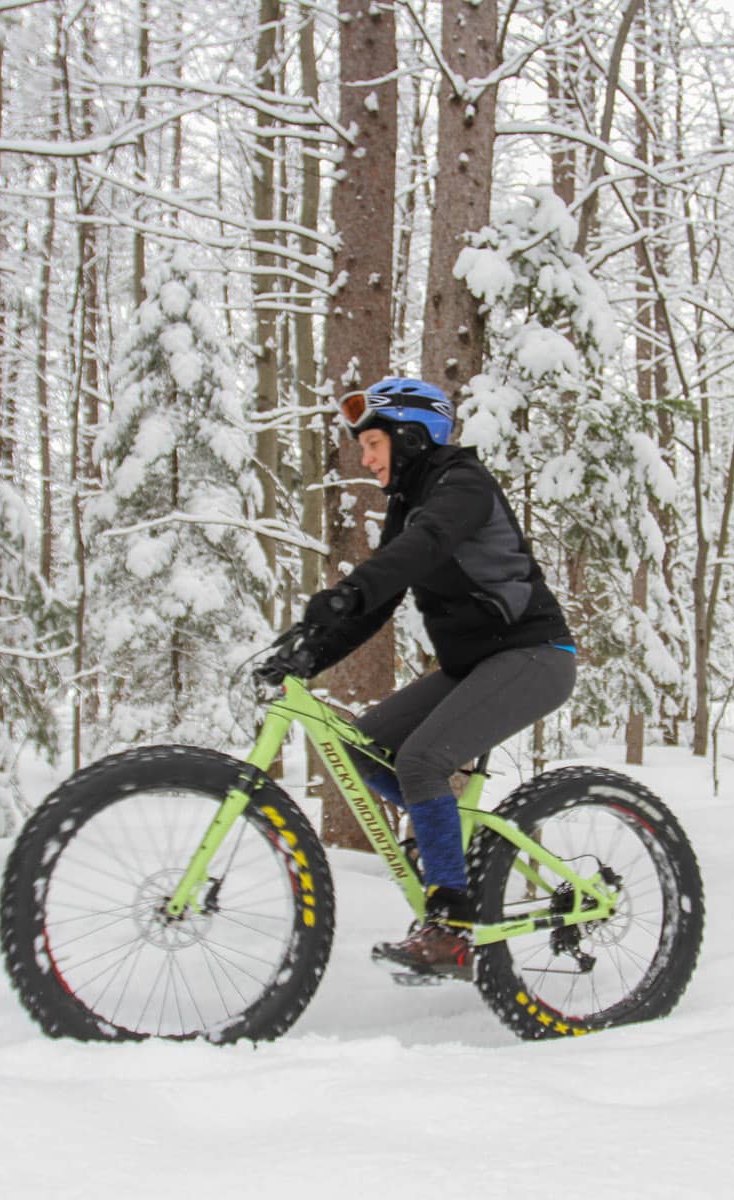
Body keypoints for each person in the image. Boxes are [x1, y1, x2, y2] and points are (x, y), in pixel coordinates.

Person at [292, 377, 577, 979]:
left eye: (373, 444)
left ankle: (452, 924)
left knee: (419, 760)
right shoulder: (412, 503)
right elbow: (381, 596)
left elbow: (426, 546)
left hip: (534, 654)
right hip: (476, 665)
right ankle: (445, 835)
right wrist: (306, 654)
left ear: (411, 435)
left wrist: (350, 588)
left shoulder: (462, 485)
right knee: (363, 751)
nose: (366, 460)